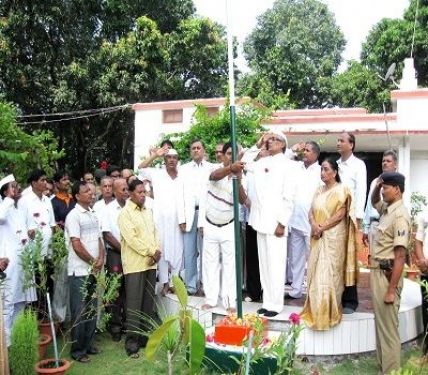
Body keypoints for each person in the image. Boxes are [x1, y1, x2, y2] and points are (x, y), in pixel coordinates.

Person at [243, 130, 298, 317]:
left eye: (275, 139)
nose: (271, 141)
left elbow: (288, 197)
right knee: (264, 265)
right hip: (260, 221)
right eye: (270, 139)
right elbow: (244, 161)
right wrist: (258, 143)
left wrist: (282, 222)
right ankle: (267, 302)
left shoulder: (289, 165)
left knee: (276, 265)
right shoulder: (262, 162)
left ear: (283, 144)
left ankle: (276, 305)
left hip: (276, 223)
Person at [300, 158, 358, 330]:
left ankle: (329, 313)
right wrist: (314, 225)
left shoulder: (342, 190)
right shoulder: (318, 190)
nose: (322, 173)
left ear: (334, 172)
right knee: (316, 274)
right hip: (317, 236)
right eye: (321, 170)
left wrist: (322, 227)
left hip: (333, 239)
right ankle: (315, 312)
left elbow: (341, 215)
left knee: (329, 276)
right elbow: (310, 211)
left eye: (326, 169)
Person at [198, 142, 247, 312]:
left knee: (230, 264)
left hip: (229, 225)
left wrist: (238, 179)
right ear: (223, 155)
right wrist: (231, 168)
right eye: (228, 153)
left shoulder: (241, 174)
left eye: (235, 153)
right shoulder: (214, 168)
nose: (231, 156)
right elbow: (214, 176)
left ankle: (229, 302)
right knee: (210, 264)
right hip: (210, 225)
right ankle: (211, 300)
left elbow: (242, 200)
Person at [370, 172, 410, 374]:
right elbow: (374, 201)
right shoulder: (387, 209)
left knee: (388, 330)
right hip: (377, 272)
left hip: (388, 276)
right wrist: (377, 185)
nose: (383, 191)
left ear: (397, 189)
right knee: (381, 327)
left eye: (386, 187)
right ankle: (383, 368)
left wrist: (391, 290)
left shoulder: (400, 215)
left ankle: (392, 371)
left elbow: (401, 256)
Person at [118, 179, 161, 358]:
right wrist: (152, 252)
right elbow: (132, 240)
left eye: (145, 192)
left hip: (150, 263)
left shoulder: (147, 211)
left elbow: (155, 233)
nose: (143, 195)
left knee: (147, 304)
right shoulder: (124, 214)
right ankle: (131, 344)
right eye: (140, 192)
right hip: (135, 265)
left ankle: (144, 339)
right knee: (134, 306)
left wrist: (157, 252)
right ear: (130, 193)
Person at [65, 181, 104, 363]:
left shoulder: (93, 213)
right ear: (77, 196)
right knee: (80, 311)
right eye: (86, 191)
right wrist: (93, 262)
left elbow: (99, 239)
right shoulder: (73, 215)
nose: (91, 193)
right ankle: (78, 351)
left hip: (93, 271)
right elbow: (76, 245)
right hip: (79, 271)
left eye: (91, 190)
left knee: (92, 309)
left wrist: (101, 259)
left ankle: (88, 344)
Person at [139, 148, 183, 297]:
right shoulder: (157, 173)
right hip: (160, 220)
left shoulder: (182, 174)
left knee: (178, 251)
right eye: (168, 157)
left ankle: (174, 284)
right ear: (164, 160)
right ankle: (164, 283)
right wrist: (154, 155)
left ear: (178, 160)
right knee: (162, 251)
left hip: (178, 220)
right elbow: (141, 168)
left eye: (174, 157)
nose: (171, 160)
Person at [0, 175, 35, 345]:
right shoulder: (3, 207)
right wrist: (7, 198)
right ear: (5, 191)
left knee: (21, 302)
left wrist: (30, 234)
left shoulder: (19, 207)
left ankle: (18, 343)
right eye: (13, 186)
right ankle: (6, 345)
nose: (17, 188)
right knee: (7, 305)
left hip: (23, 264)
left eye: (17, 185)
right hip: (8, 265)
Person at [177, 140, 214, 295]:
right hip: (189, 215)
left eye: (199, 148)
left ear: (204, 150)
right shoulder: (183, 169)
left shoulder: (212, 168)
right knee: (190, 252)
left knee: (207, 251)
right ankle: (191, 285)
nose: (196, 150)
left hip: (206, 215)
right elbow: (179, 195)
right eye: (193, 148)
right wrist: (181, 219)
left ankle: (207, 284)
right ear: (190, 151)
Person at [285, 141, 322, 300]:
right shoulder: (295, 167)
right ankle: (295, 289)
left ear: (315, 154)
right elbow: (284, 159)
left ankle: (315, 290)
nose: (304, 153)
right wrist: (293, 149)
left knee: (313, 258)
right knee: (296, 258)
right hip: (295, 220)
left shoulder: (321, 171)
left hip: (311, 223)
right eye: (304, 150)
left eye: (307, 150)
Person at [337, 132, 367, 314]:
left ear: (352, 145)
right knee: (336, 259)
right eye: (338, 140)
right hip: (333, 220)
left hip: (350, 219)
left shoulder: (358, 165)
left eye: (342, 141)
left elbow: (361, 193)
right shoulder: (335, 164)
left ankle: (350, 300)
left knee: (349, 260)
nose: (338, 143)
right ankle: (337, 296)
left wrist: (358, 221)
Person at [101, 178, 129, 341]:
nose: (126, 192)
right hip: (115, 255)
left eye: (127, 189)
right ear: (114, 191)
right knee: (115, 290)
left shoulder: (131, 207)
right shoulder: (108, 209)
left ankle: (126, 324)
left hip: (131, 255)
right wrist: (124, 250)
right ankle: (115, 327)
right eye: (123, 190)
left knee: (129, 290)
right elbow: (107, 234)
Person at [363, 150, 398, 250]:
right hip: (375, 225)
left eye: (388, 161)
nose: (385, 163)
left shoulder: (399, 183)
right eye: (383, 161)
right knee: (374, 262)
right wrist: (366, 229)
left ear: (395, 165)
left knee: (389, 262)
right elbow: (369, 206)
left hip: (391, 227)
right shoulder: (375, 182)